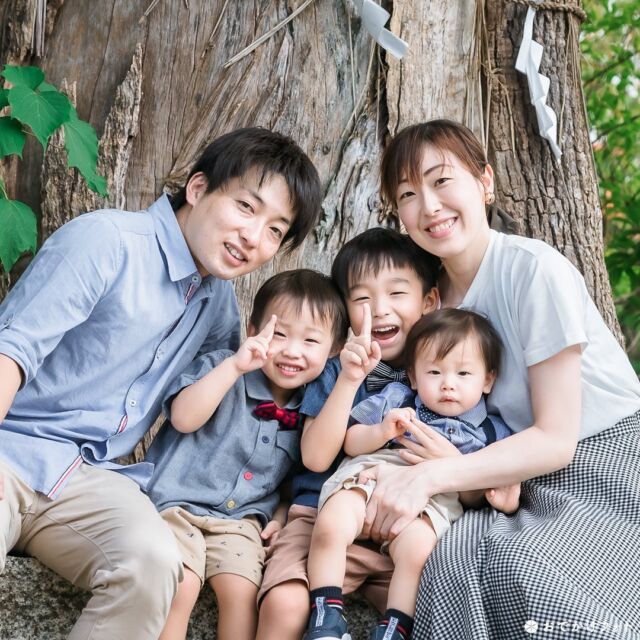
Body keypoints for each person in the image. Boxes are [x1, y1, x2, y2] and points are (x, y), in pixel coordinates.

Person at [0, 127, 322, 640]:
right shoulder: (107, 241)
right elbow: (10, 353)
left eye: (275, 230)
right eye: (245, 207)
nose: (253, 237)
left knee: (155, 563)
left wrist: (285, 508)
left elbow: (235, 416)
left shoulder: (218, 309)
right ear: (198, 188)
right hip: (12, 452)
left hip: (94, 477)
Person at [366, 118, 640, 637]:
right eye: (408, 193)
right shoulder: (429, 302)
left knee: (528, 575)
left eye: (441, 180)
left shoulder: (533, 271)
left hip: (607, 464)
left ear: (485, 182)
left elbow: (558, 439)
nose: (429, 206)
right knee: (453, 562)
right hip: (510, 472)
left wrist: (430, 475)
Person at [255, 228, 441, 640]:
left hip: (397, 530)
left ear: (429, 301)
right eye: (362, 298)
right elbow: (317, 459)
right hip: (317, 519)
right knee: (285, 604)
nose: (380, 309)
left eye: (397, 294)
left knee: (436, 604)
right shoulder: (336, 370)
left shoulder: (442, 375)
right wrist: (348, 380)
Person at [146, 269, 347, 640]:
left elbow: (290, 483)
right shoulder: (223, 366)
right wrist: (234, 366)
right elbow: (183, 417)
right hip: (176, 506)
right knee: (182, 583)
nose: (292, 351)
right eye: (280, 334)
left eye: (311, 341)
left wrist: (282, 514)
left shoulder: (312, 411)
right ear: (253, 331)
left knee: (241, 590)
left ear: (333, 350)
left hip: (240, 524)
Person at [304, 309, 519, 640]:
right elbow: (351, 442)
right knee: (332, 522)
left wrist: (503, 496)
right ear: (414, 376)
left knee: (418, 552)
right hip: (370, 477)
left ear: (488, 379)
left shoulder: (492, 432)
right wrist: (380, 430)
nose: (448, 384)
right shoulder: (398, 397)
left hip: (431, 504)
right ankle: (326, 615)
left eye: (463, 373)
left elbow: (481, 490)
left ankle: (394, 627)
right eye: (434, 372)